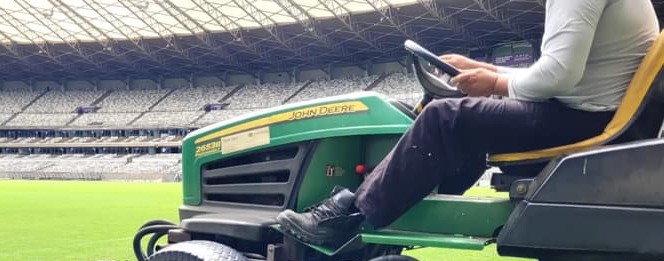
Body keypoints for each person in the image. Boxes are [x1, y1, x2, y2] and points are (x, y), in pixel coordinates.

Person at [277, 0, 660, 247]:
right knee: (462, 115)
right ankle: (407, 198)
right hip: (595, 114)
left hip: (583, 121)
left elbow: (559, 75)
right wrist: (487, 70)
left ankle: (350, 216)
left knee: (443, 117)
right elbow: (561, 71)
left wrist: (494, 84)